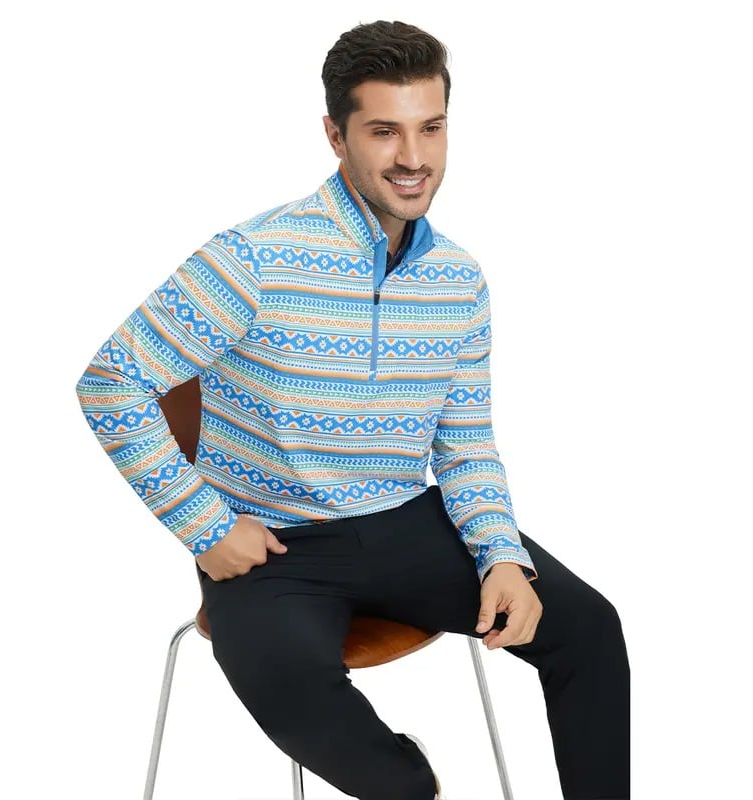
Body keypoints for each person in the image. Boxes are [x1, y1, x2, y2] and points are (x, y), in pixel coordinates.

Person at [76, 19, 630, 800]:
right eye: (383, 131)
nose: (413, 157)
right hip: (273, 543)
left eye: (430, 128)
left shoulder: (458, 281)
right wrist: (205, 526)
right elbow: (111, 382)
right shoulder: (254, 257)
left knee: (591, 630)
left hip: (408, 525)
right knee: (317, 712)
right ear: (336, 136)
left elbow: (465, 444)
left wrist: (501, 554)